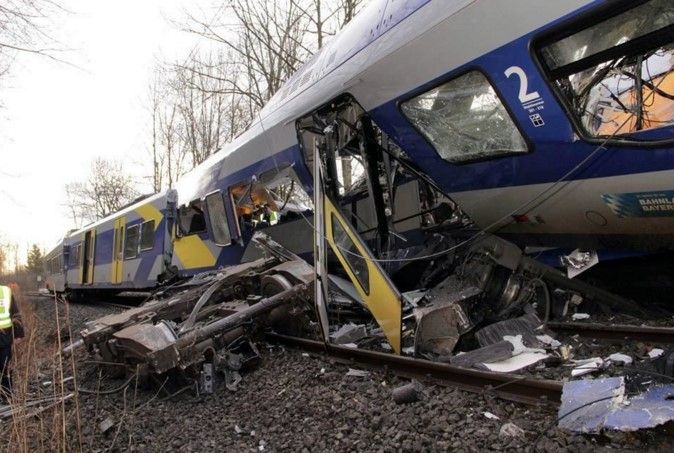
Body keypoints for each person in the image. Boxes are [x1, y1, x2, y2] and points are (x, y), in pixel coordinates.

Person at [0, 284, 24, 402]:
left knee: (5, 366)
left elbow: (15, 313)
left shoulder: (5, 291)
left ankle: (6, 396)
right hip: (4, 337)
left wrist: (19, 333)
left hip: (4, 336)